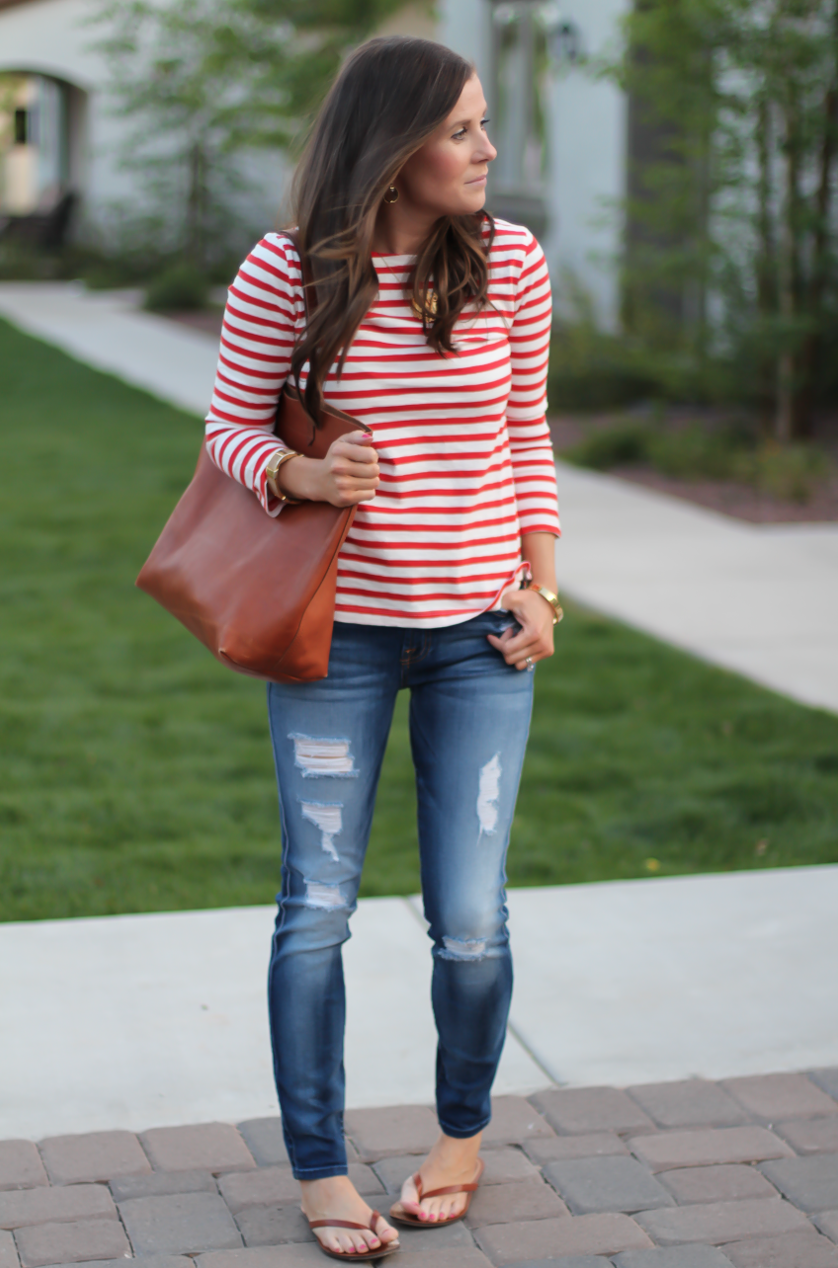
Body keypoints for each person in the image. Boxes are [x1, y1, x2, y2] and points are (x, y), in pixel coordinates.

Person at [204, 35, 561, 1261]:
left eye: (481, 126)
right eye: (460, 128)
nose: (486, 149)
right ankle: (317, 1167)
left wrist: (544, 591)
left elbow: (528, 436)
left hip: (476, 641)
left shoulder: (508, 262)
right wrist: (299, 467)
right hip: (335, 641)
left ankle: (461, 1134)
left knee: (470, 916)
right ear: (393, 143)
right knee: (316, 906)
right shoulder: (287, 274)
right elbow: (227, 431)